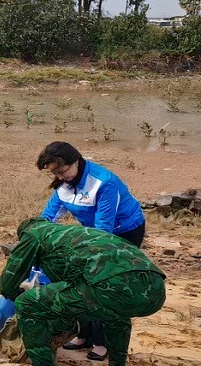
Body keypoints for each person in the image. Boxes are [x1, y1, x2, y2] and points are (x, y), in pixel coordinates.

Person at [0, 218, 165, 366]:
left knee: (27, 303)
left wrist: (15, 295)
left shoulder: (33, 234)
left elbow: (8, 283)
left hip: (110, 287)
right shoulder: (70, 233)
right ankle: (117, 362)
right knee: (114, 312)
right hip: (155, 290)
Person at [37, 141, 145, 361]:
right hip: (91, 233)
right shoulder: (64, 184)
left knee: (104, 285)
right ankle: (84, 336)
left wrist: (83, 250)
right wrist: (35, 236)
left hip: (124, 232)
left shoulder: (103, 183)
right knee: (78, 281)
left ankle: (103, 342)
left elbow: (104, 229)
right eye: (54, 173)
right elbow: (48, 217)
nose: (60, 176)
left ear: (76, 161)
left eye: (62, 170)